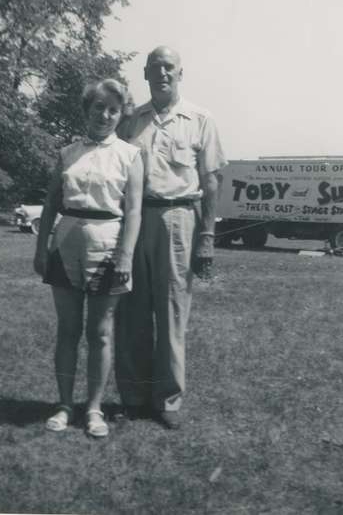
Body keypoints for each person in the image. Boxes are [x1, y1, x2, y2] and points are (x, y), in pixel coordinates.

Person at [115, 46, 227, 429]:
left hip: (180, 219)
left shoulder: (200, 119)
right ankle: (133, 396)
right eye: (155, 67)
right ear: (145, 74)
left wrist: (207, 236)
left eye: (169, 67)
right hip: (134, 219)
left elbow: (211, 181)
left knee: (172, 311)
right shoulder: (130, 121)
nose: (162, 73)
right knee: (131, 311)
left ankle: (168, 400)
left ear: (181, 73)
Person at [33, 79, 143, 438]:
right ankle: (64, 404)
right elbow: (51, 203)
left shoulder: (130, 155)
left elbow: (134, 211)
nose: (105, 115)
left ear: (120, 114)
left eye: (113, 109)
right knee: (68, 330)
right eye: (99, 107)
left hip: (108, 244)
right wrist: (40, 248)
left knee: (100, 332)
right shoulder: (67, 153)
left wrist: (125, 255)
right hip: (65, 244)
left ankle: (93, 409)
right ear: (87, 109)